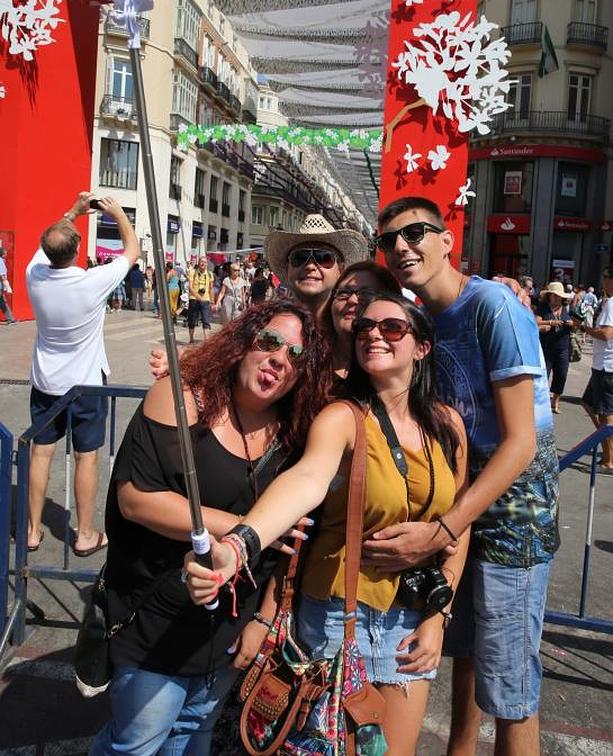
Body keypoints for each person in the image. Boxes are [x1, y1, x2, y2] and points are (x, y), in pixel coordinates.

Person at [186, 293, 469, 756]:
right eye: (365, 329)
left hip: (410, 621)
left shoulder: (447, 426)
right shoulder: (342, 417)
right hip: (340, 615)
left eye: (392, 328)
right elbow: (307, 479)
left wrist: (439, 617)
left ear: (421, 347)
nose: (374, 334)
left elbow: (456, 528)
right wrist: (240, 544)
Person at [90, 301, 330, 756]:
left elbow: (293, 542)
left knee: (192, 737)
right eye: (271, 342)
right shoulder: (183, 399)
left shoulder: (293, 432)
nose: (280, 359)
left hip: (232, 620)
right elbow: (136, 499)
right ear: (243, 343)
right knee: (136, 743)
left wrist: (263, 618)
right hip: (158, 613)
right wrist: (250, 529)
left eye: (297, 356)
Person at [371, 196, 559, 756]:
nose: (403, 247)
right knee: (467, 656)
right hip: (460, 514)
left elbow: (522, 442)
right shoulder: (420, 319)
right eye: (391, 241)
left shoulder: (493, 306)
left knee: (510, 691)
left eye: (417, 233)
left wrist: (442, 529)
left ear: (448, 238)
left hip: (511, 524)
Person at [26, 192, 139, 555]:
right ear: (76, 251)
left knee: (41, 454)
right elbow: (132, 251)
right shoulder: (91, 281)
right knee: (86, 456)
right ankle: (86, 532)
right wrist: (118, 214)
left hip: (46, 380)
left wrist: (73, 211)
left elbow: (50, 242)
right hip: (86, 384)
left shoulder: (34, 275)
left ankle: (31, 530)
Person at [265, 213, 368, 321]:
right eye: (300, 257)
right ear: (288, 268)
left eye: (323, 257)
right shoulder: (266, 325)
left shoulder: (354, 328)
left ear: (341, 269)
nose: (310, 266)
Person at [576, 268, 613, 472]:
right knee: (588, 403)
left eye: (606, 277)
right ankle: (607, 448)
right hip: (602, 366)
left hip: (606, 368)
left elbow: (607, 334)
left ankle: (609, 460)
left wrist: (586, 329)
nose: (603, 280)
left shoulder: (612, 304)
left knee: (605, 414)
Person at [535, 281, 573, 414]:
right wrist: (550, 322)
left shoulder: (566, 308)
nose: (557, 298)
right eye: (554, 295)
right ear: (549, 295)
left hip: (563, 348)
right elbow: (535, 321)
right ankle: (542, 402)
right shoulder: (543, 308)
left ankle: (555, 401)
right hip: (547, 348)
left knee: (561, 375)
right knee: (544, 376)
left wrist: (571, 323)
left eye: (559, 296)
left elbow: (577, 322)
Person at [187, 255, 214, 343]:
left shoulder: (210, 274)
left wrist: (213, 301)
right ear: (198, 263)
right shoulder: (192, 272)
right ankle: (191, 339)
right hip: (194, 299)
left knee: (206, 321)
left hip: (206, 300)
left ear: (207, 264)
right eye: (201, 262)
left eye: (205, 262)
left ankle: (207, 342)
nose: (203, 264)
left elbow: (211, 289)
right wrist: (198, 297)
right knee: (192, 320)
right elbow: (190, 288)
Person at [0, 245, 17, 324]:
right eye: (5, 252)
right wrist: (7, 286)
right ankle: (11, 319)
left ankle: (11, 319)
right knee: (2, 302)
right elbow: (2, 275)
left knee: (2, 302)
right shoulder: (0, 261)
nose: (6, 254)